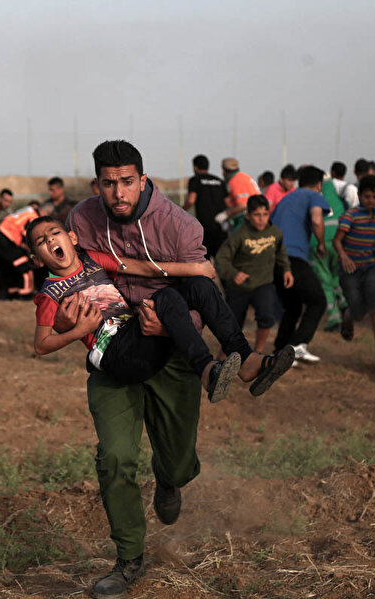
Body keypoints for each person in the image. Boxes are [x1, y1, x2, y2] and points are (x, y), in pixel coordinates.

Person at [58, 140, 289, 597]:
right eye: (108, 184)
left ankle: (171, 474)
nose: (118, 193)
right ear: (97, 185)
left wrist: (170, 328)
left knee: (180, 463)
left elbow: (202, 291)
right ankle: (128, 560)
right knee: (115, 458)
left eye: (126, 182)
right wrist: (66, 315)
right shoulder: (81, 219)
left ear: (142, 180)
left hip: (172, 353)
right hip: (115, 356)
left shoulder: (180, 225)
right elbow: (68, 277)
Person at [28, 216, 293, 401]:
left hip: (139, 336)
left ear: (71, 237)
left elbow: (141, 266)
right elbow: (41, 345)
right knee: (165, 297)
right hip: (116, 354)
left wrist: (196, 268)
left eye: (55, 234)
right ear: (38, 259)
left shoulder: (91, 260)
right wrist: (79, 331)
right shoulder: (50, 293)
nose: (51, 241)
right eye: (42, 242)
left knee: (199, 285)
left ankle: (246, 359)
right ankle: (206, 370)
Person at [334, 175, 375, 371]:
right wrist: (344, 257)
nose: (371, 200)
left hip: (370, 268)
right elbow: (337, 240)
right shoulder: (350, 216)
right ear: (360, 195)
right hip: (350, 270)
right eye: (367, 196)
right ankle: (348, 314)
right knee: (359, 312)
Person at [215, 194, 294, 353]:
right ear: (249, 215)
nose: (261, 219)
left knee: (266, 317)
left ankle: (257, 353)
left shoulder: (275, 232)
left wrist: (286, 269)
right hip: (239, 288)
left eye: (265, 214)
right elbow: (221, 259)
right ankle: (224, 358)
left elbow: (281, 252)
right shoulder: (239, 235)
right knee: (233, 326)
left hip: (263, 284)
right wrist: (233, 274)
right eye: (257, 215)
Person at [269, 165, 330, 363]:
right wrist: (321, 244)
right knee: (317, 300)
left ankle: (279, 350)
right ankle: (296, 346)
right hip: (292, 257)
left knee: (293, 306)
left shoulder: (286, 199)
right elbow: (317, 219)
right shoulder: (313, 196)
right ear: (319, 184)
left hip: (273, 258)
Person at [0, 202, 54, 299]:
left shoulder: (28, 210)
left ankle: (10, 293)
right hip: (5, 239)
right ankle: (26, 294)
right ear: (45, 212)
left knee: (11, 267)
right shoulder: (33, 218)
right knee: (24, 266)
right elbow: (27, 235)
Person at [311, 170, 348, 332]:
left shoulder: (312, 196)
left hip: (319, 242)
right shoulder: (335, 193)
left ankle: (334, 318)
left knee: (324, 281)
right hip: (339, 241)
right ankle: (344, 302)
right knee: (334, 275)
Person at [183, 154, 229, 258]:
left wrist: (181, 210)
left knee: (204, 261)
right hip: (220, 227)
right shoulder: (219, 181)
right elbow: (228, 203)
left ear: (195, 167)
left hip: (205, 228)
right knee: (221, 260)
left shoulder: (195, 180)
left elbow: (191, 200)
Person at [220, 157, 260, 231]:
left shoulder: (236, 181)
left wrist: (226, 214)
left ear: (224, 171)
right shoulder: (244, 177)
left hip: (246, 219)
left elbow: (243, 205)